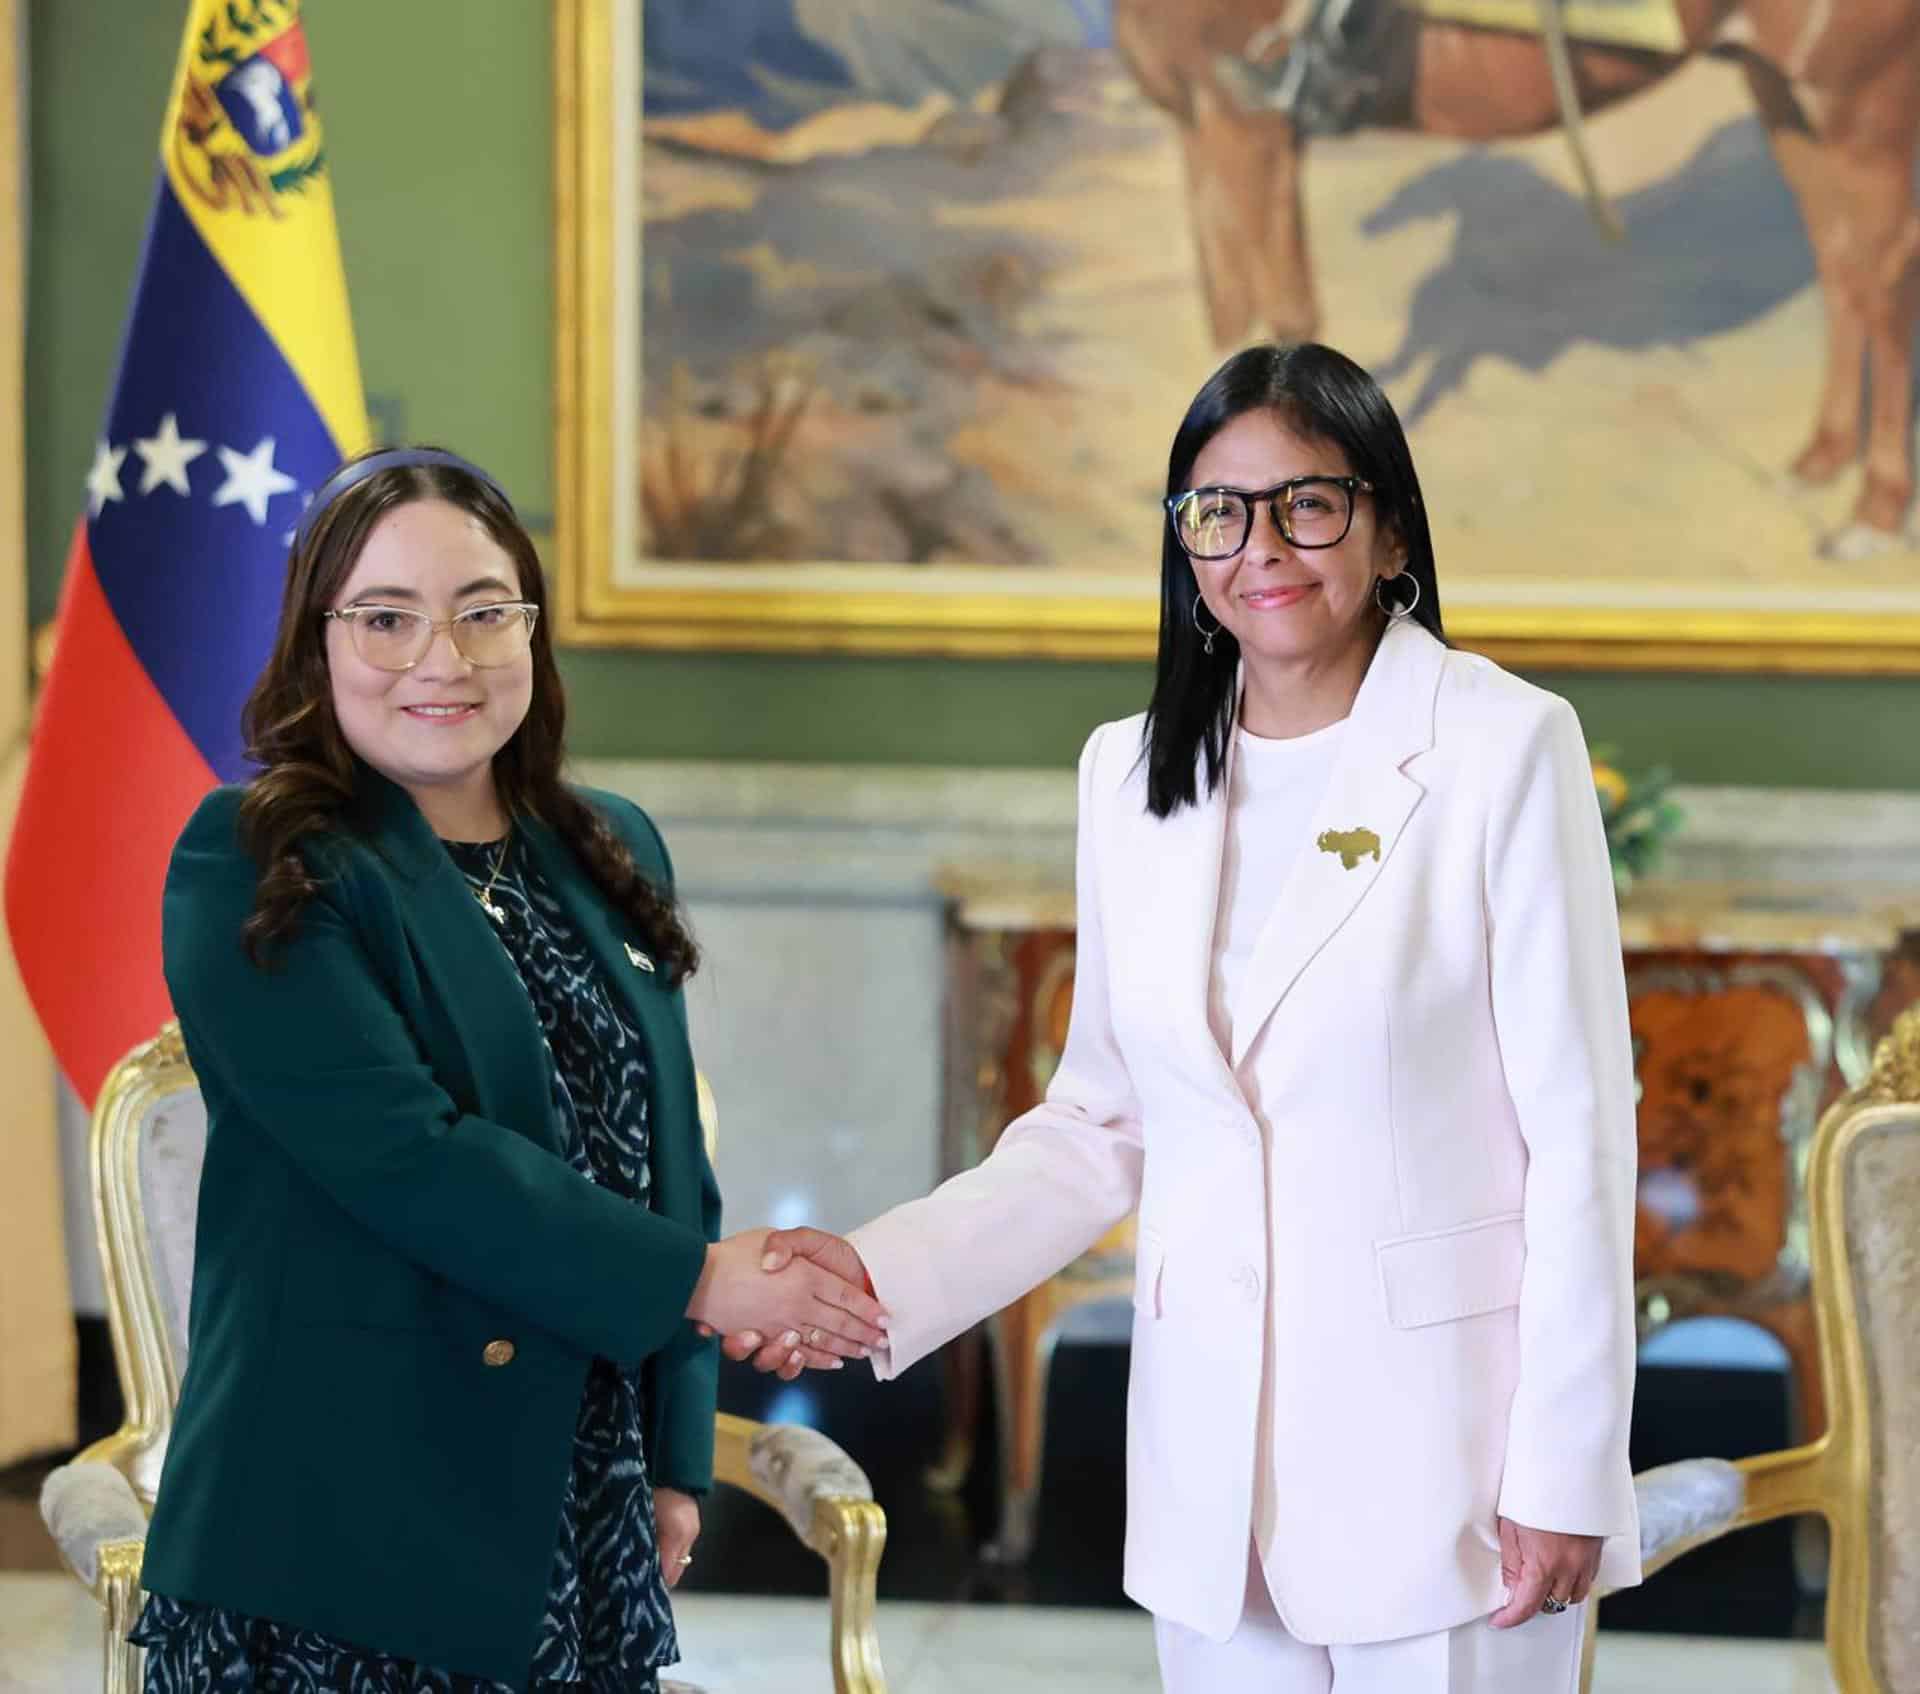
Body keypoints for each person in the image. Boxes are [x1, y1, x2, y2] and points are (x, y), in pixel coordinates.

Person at [723, 345, 1642, 1692]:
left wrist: (1565, 1467)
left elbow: (1581, 1131)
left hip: (1449, 1464)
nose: (1262, 545)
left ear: (1388, 529)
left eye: (1308, 504)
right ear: (1185, 545)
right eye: (1220, 511)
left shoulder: (1504, 745)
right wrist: (878, 1276)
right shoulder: (1131, 771)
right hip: (1211, 1473)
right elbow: (1100, 1122)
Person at [128, 447, 888, 1692]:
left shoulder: (604, 844)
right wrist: (704, 1283)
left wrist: (672, 1451)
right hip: (343, 1518)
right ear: (317, 639)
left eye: (487, 611)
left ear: (532, 632)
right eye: (387, 618)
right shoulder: (258, 857)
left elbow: (669, 1168)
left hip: (578, 1504)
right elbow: (409, 1158)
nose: (445, 658)